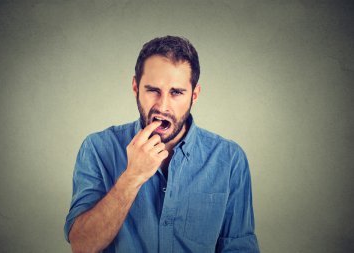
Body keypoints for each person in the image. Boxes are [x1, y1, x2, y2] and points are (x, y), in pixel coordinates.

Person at [64, 35, 260, 253]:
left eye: (176, 92)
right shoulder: (97, 148)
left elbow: (239, 247)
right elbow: (81, 245)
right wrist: (132, 178)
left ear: (194, 95)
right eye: (153, 90)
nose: (163, 106)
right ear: (135, 87)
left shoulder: (229, 159)